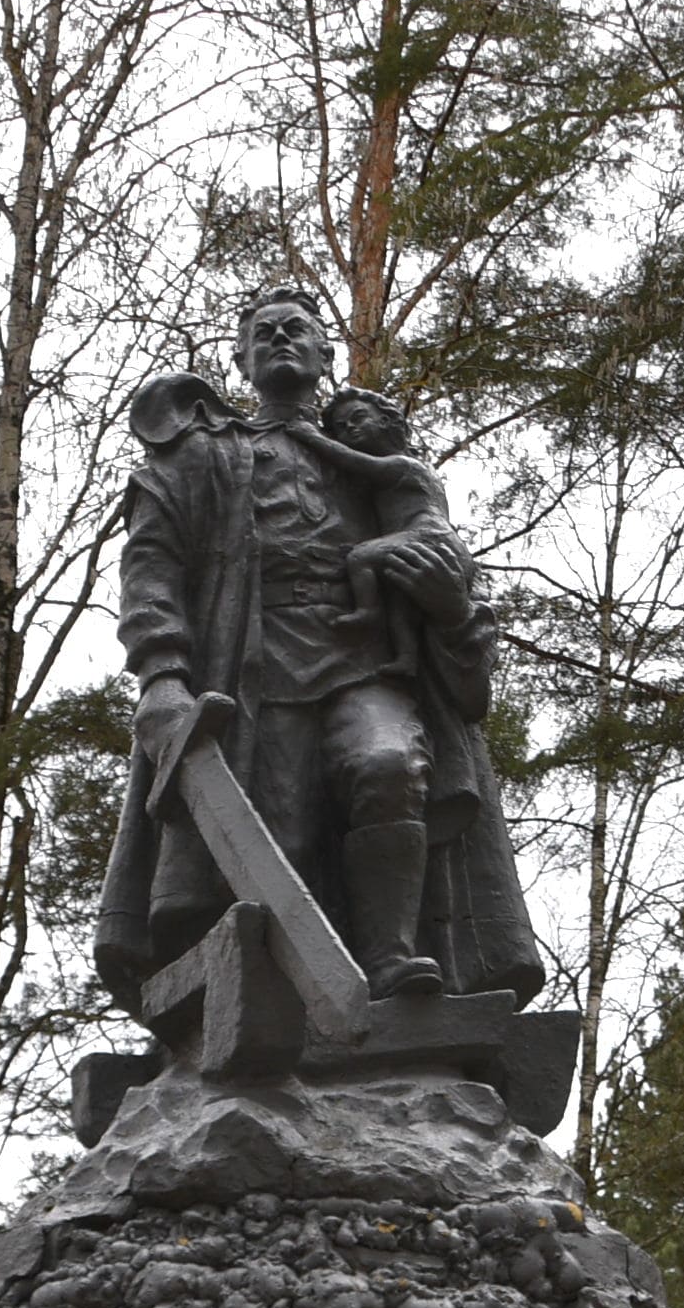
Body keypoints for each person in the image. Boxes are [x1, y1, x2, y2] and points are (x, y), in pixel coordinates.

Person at [92, 285, 547, 1017]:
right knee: (281, 841)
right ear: (239, 359)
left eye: (296, 329)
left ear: (326, 354)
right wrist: (161, 675)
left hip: (366, 664)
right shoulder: (201, 459)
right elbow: (153, 571)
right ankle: (281, 1020)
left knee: (390, 764)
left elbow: (447, 570)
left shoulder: (373, 459)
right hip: (252, 674)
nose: (279, 338)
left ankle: (394, 960)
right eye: (262, 332)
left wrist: (450, 602)